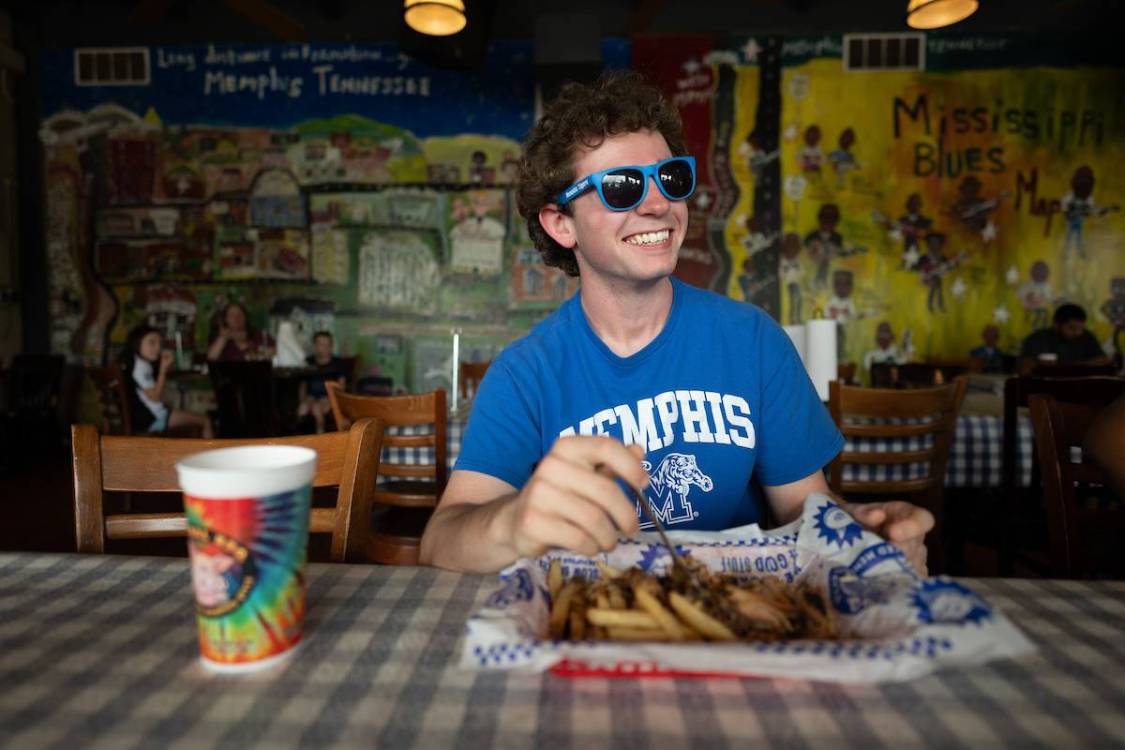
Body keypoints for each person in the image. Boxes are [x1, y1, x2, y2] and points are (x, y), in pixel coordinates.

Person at [418, 72, 933, 575]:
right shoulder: (524, 374)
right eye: (621, 187)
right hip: (590, 627)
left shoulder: (752, 341)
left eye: (672, 178)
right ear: (561, 224)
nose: (659, 204)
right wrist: (511, 523)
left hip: (740, 622)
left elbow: (806, 511)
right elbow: (442, 540)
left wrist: (864, 530)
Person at [122, 324, 213, 438]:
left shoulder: (136, 362)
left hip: (145, 418)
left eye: (159, 344)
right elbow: (155, 397)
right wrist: (163, 370)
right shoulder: (140, 367)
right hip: (153, 419)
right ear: (137, 343)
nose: (158, 348)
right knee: (206, 420)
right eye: (152, 343)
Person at [1020, 304, 1111, 367]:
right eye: (1072, 328)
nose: (1078, 332)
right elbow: (1024, 367)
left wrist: (1084, 365)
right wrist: (1038, 364)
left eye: (1081, 328)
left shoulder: (1087, 337)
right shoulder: (1037, 339)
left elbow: (1103, 360)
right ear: (1056, 325)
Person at [299, 331, 348, 434]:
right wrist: (303, 400)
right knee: (302, 409)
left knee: (317, 408)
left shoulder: (338, 363)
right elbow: (303, 385)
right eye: (321, 344)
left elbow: (341, 387)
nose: (325, 348)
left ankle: (320, 436)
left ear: (331, 346)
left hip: (329, 397)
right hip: (311, 397)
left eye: (327, 345)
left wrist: (332, 400)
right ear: (315, 346)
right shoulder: (308, 362)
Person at [206, 302, 274, 362]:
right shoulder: (222, 340)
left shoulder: (260, 335)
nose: (237, 317)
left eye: (240, 314)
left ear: (245, 318)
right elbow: (211, 358)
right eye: (232, 315)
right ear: (225, 320)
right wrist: (223, 337)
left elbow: (276, 352)